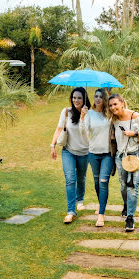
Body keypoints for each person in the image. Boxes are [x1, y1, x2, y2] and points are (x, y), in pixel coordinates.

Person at [108, 94, 139, 231]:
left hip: (138, 156)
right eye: (110, 105)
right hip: (121, 157)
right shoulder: (113, 120)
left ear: (122, 103)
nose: (113, 107)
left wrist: (135, 133)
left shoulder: (137, 117)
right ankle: (127, 205)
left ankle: (130, 218)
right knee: (123, 186)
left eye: (115, 104)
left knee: (132, 186)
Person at [50, 87, 91, 224]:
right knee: (70, 179)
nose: (76, 100)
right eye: (74, 97)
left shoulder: (90, 114)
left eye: (79, 98)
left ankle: (80, 199)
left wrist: (84, 117)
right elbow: (59, 129)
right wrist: (52, 145)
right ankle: (70, 211)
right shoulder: (66, 112)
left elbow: (90, 134)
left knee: (81, 177)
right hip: (68, 151)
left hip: (84, 152)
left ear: (84, 99)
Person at [80, 89, 114, 227]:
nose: (98, 99)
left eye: (101, 97)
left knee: (103, 181)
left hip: (107, 153)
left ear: (105, 99)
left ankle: (101, 214)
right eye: (96, 96)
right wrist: (82, 117)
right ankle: (101, 205)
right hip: (93, 153)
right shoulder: (89, 114)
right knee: (96, 181)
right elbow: (83, 131)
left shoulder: (110, 115)